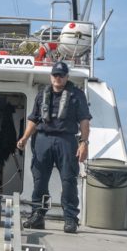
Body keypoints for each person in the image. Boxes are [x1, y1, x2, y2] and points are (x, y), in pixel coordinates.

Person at [16, 61, 91, 234]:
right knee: (39, 179)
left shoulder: (76, 95)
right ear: (51, 76)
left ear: (67, 77)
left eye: (61, 75)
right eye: (55, 75)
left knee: (69, 180)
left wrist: (84, 143)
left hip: (66, 141)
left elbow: (84, 121)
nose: (58, 78)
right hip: (43, 139)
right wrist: (25, 138)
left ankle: (70, 219)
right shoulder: (42, 94)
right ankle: (38, 215)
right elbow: (34, 119)